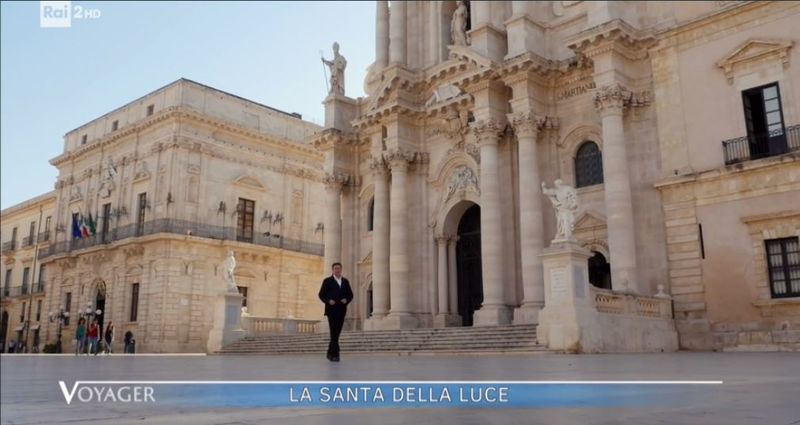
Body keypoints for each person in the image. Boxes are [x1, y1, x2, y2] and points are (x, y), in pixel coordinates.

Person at [318, 262, 353, 362]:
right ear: (332, 270)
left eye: (339, 268)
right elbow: (321, 295)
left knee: (336, 333)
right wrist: (328, 301)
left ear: (341, 269)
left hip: (341, 310)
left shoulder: (345, 281)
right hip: (331, 310)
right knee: (334, 332)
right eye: (335, 268)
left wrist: (346, 300)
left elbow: (350, 294)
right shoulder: (327, 281)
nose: (337, 270)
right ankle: (335, 354)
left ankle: (330, 353)